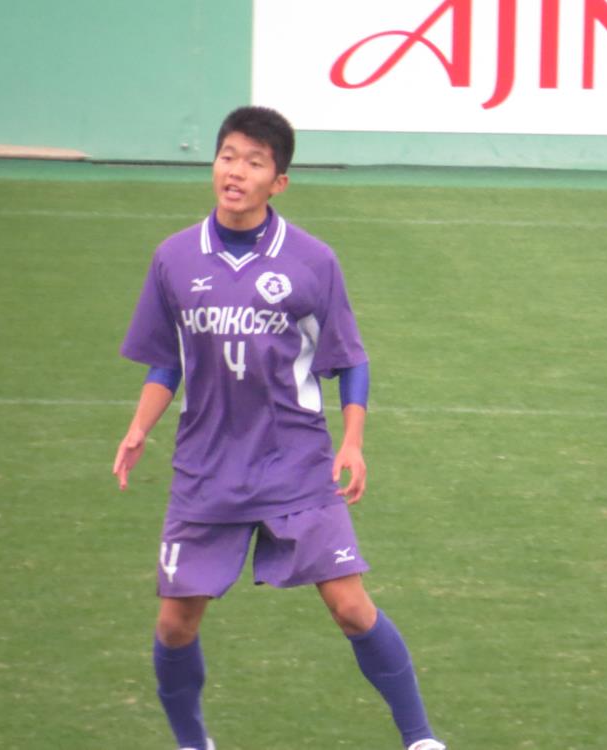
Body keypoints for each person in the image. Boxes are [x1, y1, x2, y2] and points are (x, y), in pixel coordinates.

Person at [113, 106, 446, 750]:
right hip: (206, 466)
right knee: (176, 623)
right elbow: (167, 360)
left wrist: (353, 442)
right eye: (227, 157)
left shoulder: (312, 261)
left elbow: (350, 359)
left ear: (279, 182)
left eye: (254, 162)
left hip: (293, 461)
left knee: (351, 607)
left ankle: (421, 739)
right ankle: (193, 743)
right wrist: (138, 428)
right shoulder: (174, 258)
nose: (235, 172)